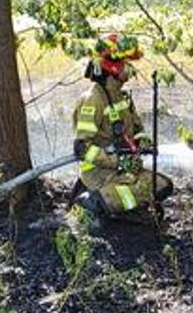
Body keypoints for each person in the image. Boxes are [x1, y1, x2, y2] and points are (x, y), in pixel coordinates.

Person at [71, 34, 174, 224]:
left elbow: (137, 128)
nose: (129, 69)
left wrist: (142, 141)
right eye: (125, 63)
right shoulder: (92, 100)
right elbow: (82, 148)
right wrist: (116, 162)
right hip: (100, 173)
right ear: (112, 68)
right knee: (133, 193)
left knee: (163, 185)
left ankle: (125, 208)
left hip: (126, 171)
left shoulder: (123, 97)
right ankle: (90, 204)